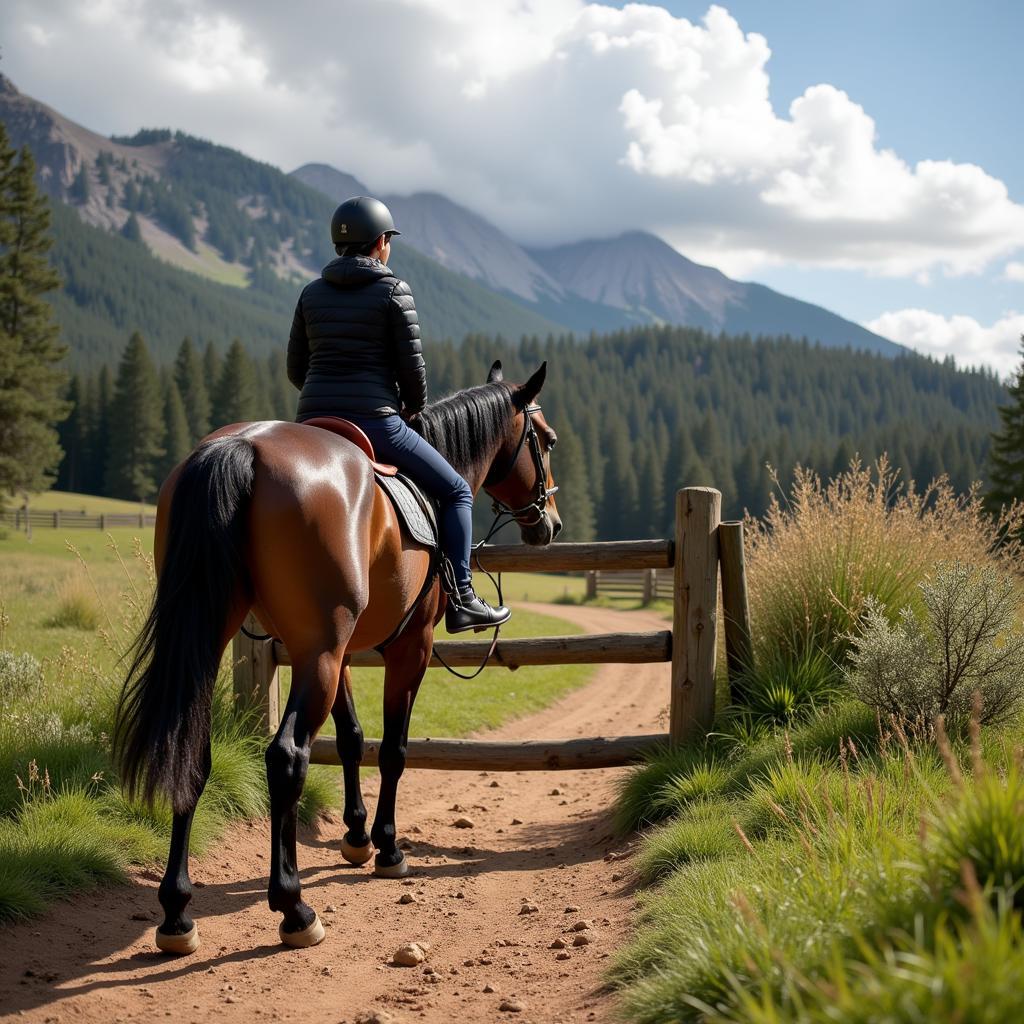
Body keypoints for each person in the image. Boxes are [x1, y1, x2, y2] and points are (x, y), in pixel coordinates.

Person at [286, 195, 511, 634]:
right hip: (376, 422)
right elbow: (414, 375)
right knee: (456, 492)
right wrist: (409, 407)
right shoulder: (393, 291)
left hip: (313, 422)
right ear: (381, 243)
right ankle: (463, 597)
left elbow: (297, 369)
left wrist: (323, 400)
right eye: (389, 240)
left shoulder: (311, 294)